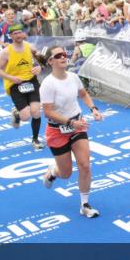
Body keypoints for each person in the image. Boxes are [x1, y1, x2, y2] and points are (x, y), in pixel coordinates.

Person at [39, 45, 104, 217]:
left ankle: (85, 205)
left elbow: (83, 94)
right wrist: (70, 122)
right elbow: (47, 112)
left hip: (77, 125)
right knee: (66, 173)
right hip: (56, 130)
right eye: (58, 55)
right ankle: (53, 171)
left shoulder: (74, 77)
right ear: (50, 61)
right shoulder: (47, 84)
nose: (63, 57)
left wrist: (93, 109)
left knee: (85, 165)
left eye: (64, 54)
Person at [0, 23, 45, 150]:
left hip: (31, 81)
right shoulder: (6, 52)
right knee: (26, 117)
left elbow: (43, 60)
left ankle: (35, 139)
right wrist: (11, 78)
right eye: (15, 33)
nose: (18, 35)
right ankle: (17, 113)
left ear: (24, 34)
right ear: (10, 36)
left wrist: (39, 67)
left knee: (36, 112)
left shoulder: (30, 47)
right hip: (15, 84)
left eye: (20, 32)